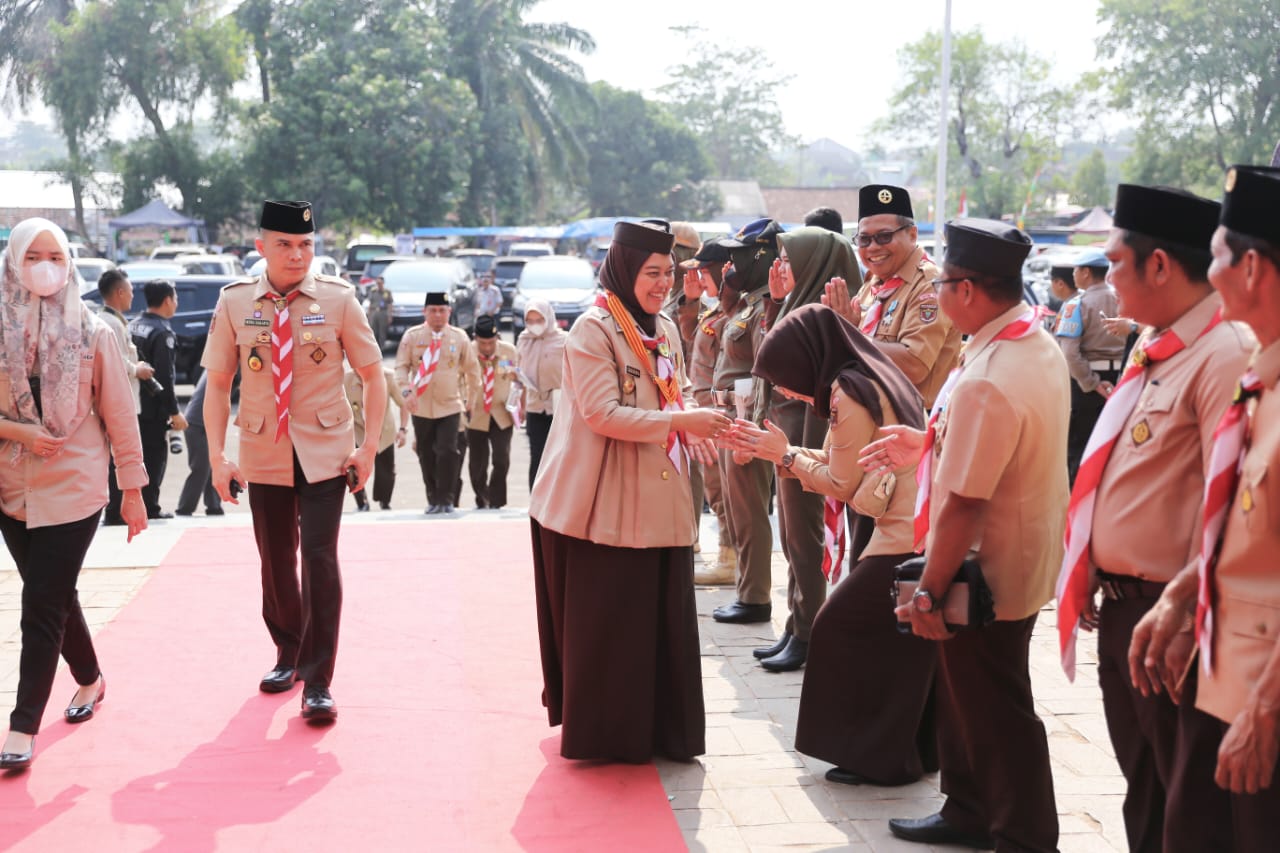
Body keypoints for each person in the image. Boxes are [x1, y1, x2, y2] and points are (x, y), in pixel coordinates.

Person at [1052, 184, 1248, 852]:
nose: (1104, 280)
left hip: (1177, 618)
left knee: (1189, 811)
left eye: (1114, 263)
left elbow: (1231, 502)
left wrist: (1187, 613)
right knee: (1148, 793)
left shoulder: (1224, 355)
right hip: (1125, 607)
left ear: (1159, 264)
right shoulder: (1156, 346)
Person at [863, 218, 1068, 851]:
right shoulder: (1022, 343)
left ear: (971, 290)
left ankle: (1022, 832)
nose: (939, 292)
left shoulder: (989, 371)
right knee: (971, 697)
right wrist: (926, 442)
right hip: (1020, 554)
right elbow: (991, 440)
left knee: (994, 706)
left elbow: (965, 502)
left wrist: (928, 588)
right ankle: (970, 808)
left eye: (945, 282)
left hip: (985, 564)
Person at [528, 220, 730, 763]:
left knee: (660, 616)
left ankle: (664, 730)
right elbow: (602, 414)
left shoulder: (661, 325)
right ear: (623, 269)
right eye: (651, 273)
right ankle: (612, 737)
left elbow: (675, 388)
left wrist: (688, 421)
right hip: (604, 499)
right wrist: (683, 421)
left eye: (668, 273)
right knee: (614, 621)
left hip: (660, 492)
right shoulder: (593, 329)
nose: (663, 284)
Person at [722, 304, 938, 787]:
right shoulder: (874, 374)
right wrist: (783, 453)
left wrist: (787, 454)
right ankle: (906, 754)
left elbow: (842, 483)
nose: (783, 390)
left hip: (901, 537)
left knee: (838, 628)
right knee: (905, 647)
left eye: (782, 378)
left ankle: (876, 755)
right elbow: (852, 463)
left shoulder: (848, 392)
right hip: (918, 531)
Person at [1130, 165, 1280, 851]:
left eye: (1216, 252)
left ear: (1251, 267)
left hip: (1259, 699)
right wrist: (1186, 590)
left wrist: (1266, 711)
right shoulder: (1262, 380)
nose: (1207, 268)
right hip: (1221, 679)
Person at [202, 200, 385, 722]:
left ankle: (317, 679)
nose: (297, 254)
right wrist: (218, 457)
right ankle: (288, 650)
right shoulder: (236, 303)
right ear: (261, 247)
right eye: (284, 244)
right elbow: (217, 384)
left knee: (320, 561)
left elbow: (375, 376)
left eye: (305, 244)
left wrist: (367, 446)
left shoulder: (338, 300)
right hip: (264, 451)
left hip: (327, 453)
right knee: (276, 562)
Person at [0, 218, 148, 770]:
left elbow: (120, 416)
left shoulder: (94, 331)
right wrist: (21, 433)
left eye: (55, 257)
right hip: (11, 488)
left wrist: (132, 490)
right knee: (56, 595)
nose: (45, 267)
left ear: (69, 263)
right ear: (13, 259)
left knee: (39, 604)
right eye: (33, 255)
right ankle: (90, 678)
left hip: (75, 487)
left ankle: (21, 728)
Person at [752, 225, 861, 672]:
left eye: (789, 260)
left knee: (806, 530)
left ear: (814, 264)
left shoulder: (829, 311)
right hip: (787, 426)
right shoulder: (797, 303)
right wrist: (776, 302)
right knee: (792, 531)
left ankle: (809, 629)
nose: (781, 268)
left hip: (812, 429)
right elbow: (769, 356)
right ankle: (797, 623)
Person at [707, 219, 782, 627]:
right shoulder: (749, 301)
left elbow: (762, 376)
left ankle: (755, 598)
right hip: (729, 419)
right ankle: (746, 590)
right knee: (738, 511)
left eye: (738, 255)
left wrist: (747, 433)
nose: (730, 263)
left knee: (750, 513)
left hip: (745, 421)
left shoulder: (766, 304)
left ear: (761, 256)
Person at [676, 243, 737, 584]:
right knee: (716, 489)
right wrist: (691, 302)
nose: (697, 276)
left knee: (724, 491)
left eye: (703, 270)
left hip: (721, 412)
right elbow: (694, 339)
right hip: (706, 412)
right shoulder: (716, 312)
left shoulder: (736, 310)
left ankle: (732, 561)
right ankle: (729, 558)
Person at [395, 291, 473, 514]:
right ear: (425, 312)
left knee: (448, 450)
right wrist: (406, 391)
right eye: (433, 310)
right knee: (426, 452)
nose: (438, 315)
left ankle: (446, 498)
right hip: (421, 405)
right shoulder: (412, 337)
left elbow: (472, 371)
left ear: (449, 312)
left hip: (450, 405)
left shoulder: (459, 337)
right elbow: (401, 367)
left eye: (442, 310)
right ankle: (433, 498)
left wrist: (470, 399)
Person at [1054, 248, 1127, 485]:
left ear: (1086, 273)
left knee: (1079, 448)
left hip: (1086, 384)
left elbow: (1070, 353)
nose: (1073, 274)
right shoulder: (1123, 298)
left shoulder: (1077, 305)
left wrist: (1092, 383)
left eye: (1076, 270)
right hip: (1122, 379)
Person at [96, 269, 154, 526]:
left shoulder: (115, 320)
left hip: (126, 397)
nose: (132, 296)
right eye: (130, 291)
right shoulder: (109, 324)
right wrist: (136, 369)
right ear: (119, 292)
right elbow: (116, 362)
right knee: (115, 458)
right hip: (118, 401)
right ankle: (114, 511)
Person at [129, 280, 188, 519]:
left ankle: (130, 504)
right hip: (152, 409)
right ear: (167, 300)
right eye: (175, 299)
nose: (176, 304)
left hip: (131, 404)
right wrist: (174, 412)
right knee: (154, 457)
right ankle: (150, 507)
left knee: (132, 457)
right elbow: (165, 377)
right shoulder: (162, 332)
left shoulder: (134, 325)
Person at [464, 315, 518, 509]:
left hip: (501, 412)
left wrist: (522, 406)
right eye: (482, 343)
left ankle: (496, 501)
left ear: (498, 338)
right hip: (475, 413)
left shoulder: (509, 352)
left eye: (491, 342)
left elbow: (519, 380)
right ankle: (482, 498)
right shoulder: (467, 351)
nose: (487, 347)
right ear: (475, 338)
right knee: (477, 463)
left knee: (501, 459)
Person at [515, 299, 565, 487]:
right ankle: (536, 504)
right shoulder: (524, 340)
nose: (535, 325)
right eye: (530, 321)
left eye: (539, 320)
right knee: (537, 454)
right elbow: (519, 373)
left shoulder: (564, 340)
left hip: (559, 407)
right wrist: (519, 404)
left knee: (559, 455)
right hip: (534, 407)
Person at [344, 364, 407, 511]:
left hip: (383, 431)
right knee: (353, 468)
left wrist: (403, 429)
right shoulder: (346, 379)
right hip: (359, 430)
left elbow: (403, 404)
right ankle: (362, 503)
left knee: (386, 472)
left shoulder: (388, 376)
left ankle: (384, 502)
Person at [175, 371, 224, 517]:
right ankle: (184, 508)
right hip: (198, 423)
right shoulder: (224, 367)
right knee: (201, 469)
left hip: (203, 422)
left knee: (212, 465)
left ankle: (214, 506)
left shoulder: (216, 364)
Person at [363, 276, 393, 351]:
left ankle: (381, 349)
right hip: (374, 312)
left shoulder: (387, 292)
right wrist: (369, 316)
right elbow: (370, 304)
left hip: (383, 312)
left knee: (382, 331)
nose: (379, 285)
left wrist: (390, 316)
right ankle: (373, 349)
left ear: (383, 283)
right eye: (377, 283)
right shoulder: (373, 291)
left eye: (380, 283)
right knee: (373, 331)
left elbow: (390, 304)